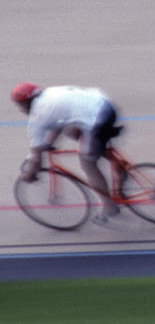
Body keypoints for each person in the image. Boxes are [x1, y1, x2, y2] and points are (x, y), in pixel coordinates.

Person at [11, 82, 124, 223]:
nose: (20, 109)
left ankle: (110, 207)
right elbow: (58, 123)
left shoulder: (37, 118)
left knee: (87, 164)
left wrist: (29, 174)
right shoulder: (50, 92)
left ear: (26, 103)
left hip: (98, 120)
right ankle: (118, 164)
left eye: (20, 105)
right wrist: (48, 143)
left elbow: (35, 159)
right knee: (71, 131)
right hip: (104, 105)